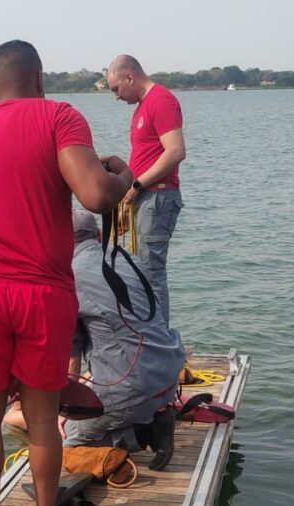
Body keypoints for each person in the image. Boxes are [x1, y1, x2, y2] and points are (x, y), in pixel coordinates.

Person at [0, 40, 132, 506]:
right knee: (45, 419)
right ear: (40, 80)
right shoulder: (58, 118)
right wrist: (123, 177)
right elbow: (96, 194)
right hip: (43, 294)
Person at [4, 209, 185, 470]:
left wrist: (65, 412)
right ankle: (149, 420)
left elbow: (71, 356)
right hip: (169, 372)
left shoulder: (68, 277)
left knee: (55, 439)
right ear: (99, 235)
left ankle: (141, 435)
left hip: (135, 387)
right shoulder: (126, 258)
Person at [107, 54, 186, 326]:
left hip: (157, 197)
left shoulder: (161, 101)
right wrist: (128, 196)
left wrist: (138, 185)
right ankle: (152, 333)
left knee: (152, 273)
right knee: (142, 270)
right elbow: (145, 156)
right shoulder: (142, 107)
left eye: (116, 89)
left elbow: (175, 151)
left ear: (130, 77)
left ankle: (162, 339)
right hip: (143, 197)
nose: (116, 97)